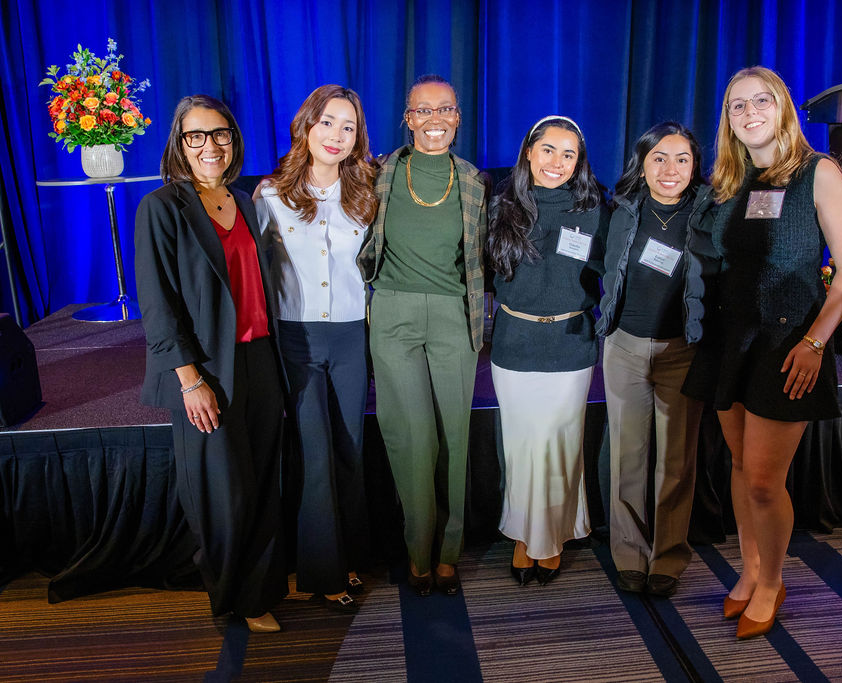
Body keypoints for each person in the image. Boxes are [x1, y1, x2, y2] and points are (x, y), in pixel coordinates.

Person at [683, 66, 842, 638]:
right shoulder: (729, 183)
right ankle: (750, 568)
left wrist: (816, 341)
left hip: (789, 344)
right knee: (739, 467)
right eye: (738, 105)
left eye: (762, 100)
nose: (750, 112)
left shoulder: (819, 172)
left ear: (782, 107)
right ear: (729, 121)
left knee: (764, 480)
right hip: (729, 340)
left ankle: (773, 579)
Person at [135, 95, 288, 633]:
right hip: (207, 370)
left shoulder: (244, 202)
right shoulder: (162, 207)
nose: (210, 146)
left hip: (260, 359)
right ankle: (233, 597)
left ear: (233, 141)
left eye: (220, 134)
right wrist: (189, 380)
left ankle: (260, 590)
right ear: (179, 144)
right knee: (224, 491)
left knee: (265, 480)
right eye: (196, 136)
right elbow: (158, 306)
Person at [357, 75, 487, 597]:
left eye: (446, 109)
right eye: (423, 110)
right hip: (393, 313)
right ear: (407, 118)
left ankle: (449, 553)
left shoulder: (475, 181)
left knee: (455, 437)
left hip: (455, 315)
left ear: (458, 117)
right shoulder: (378, 173)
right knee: (413, 437)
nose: (435, 119)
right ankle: (418, 551)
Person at [254, 85, 378, 610]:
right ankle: (317, 573)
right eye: (327, 122)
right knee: (314, 452)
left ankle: (350, 559)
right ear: (306, 126)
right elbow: (254, 278)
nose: (337, 135)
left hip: (353, 335)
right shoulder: (270, 195)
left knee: (350, 449)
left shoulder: (369, 193)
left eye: (348, 127)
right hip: (296, 338)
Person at [597, 121, 717, 598]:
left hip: (682, 350)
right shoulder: (622, 208)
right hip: (624, 347)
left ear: (695, 166)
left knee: (676, 462)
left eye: (682, 159)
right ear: (641, 164)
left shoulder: (710, 211)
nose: (671, 169)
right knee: (627, 457)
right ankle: (629, 554)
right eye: (659, 159)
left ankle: (667, 556)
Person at [487, 115, 608, 586]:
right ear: (529, 153)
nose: (557, 162)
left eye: (569, 154)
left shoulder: (597, 209)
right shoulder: (501, 205)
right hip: (514, 345)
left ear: (579, 162)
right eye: (548, 150)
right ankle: (523, 536)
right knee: (520, 446)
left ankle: (552, 537)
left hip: (570, 345)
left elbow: (614, 271)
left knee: (560, 444)